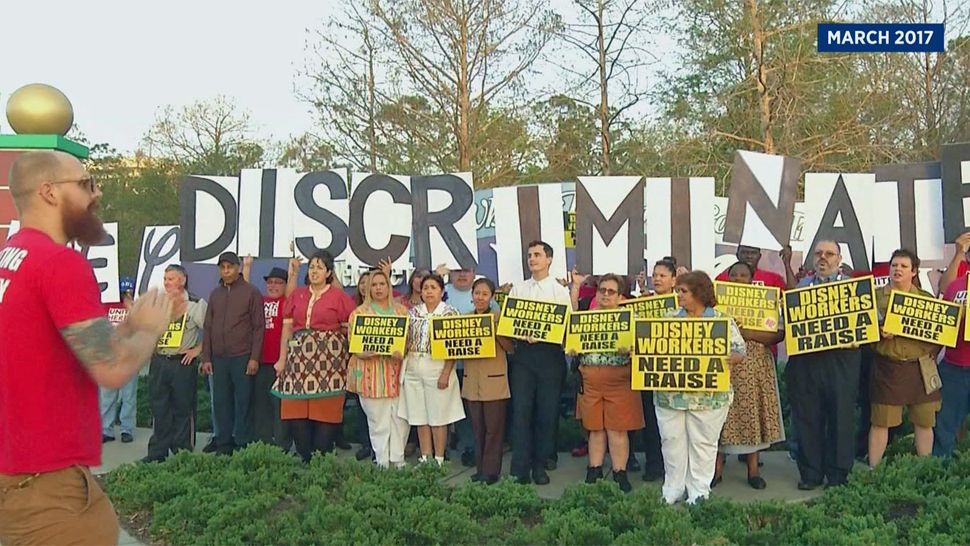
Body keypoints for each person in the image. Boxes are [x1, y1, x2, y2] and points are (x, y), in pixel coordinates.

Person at [0, 150, 172, 545]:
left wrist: (127, 325)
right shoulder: (60, 263)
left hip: (24, 476)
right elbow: (111, 368)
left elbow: (51, 345)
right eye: (86, 183)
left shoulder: (13, 256)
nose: (96, 193)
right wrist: (149, 329)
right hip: (49, 488)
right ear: (48, 191)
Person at [655, 271, 745, 504]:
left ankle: (698, 491)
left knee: (703, 443)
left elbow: (740, 350)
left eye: (683, 291)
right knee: (671, 440)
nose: (678, 296)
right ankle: (672, 488)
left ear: (699, 292)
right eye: (678, 291)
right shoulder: (668, 319)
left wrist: (732, 357)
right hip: (670, 395)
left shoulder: (722, 321)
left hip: (709, 397)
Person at [786, 240, 861, 489]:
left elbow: (871, 323)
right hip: (807, 362)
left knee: (840, 416)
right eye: (818, 253)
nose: (823, 258)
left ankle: (838, 475)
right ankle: (811, 474)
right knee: (808, 417)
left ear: (839, 259)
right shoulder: (801, 287)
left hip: (841, 361)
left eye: (829, 254)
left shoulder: (853, 288)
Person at [274, 250, 356, 462]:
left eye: (319, 267)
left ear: (329, 272)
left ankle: (322, 462)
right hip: (298, 362)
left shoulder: (339, 297)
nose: (314, 271)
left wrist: (352, 361)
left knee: (326, 412)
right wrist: (282, 359)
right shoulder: (298, 295)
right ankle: (305, 457)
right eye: (311, 267)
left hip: (330, 364)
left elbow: (350, 333)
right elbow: (287, 329)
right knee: (295, 411)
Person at [712, 262, 785, 489]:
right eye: (733, 275)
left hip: (755, 365)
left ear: (752, 279)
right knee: (720, 417)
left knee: (751, 413)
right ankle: (716, 471)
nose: (738, 278)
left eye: (743, 275)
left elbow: (777, 335)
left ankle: (753, 471)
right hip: (725, 365)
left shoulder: (765, 301)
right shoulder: (716, 304)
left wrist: (746, 333)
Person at [569, 273, 644, 493]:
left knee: (617, 429)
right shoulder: (586, 318)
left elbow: (644, 348)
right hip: (590, 380)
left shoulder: (631, 318)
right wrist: (573, 348)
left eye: (611, 291)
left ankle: (620, 472)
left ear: (621, 296)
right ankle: (594, 469)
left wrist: (632, 350)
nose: (605, 295)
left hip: (620, 379)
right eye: (602, 290)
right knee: (595, 429)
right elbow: (573, 342)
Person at [868, 249, 941, 466]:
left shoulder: (926, 300)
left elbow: (940, 333)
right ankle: (874, 470)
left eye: (903, 266)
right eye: (894, 265)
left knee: (925, 420)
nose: (897, 269)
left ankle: (924, 468)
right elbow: (862, 331)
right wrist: (877, 333)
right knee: (881, 421)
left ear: (914, 271)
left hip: (921, 368)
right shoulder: (875, 298)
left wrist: (933, 354)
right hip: (888, 367)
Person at [507, 240, 572, 485]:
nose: (532, 259)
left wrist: (545, 333)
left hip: (549, 356)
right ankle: (519, 468)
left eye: (537, 255)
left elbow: (567, 324)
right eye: (529, 255)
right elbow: (509, 324)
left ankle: (540, 465)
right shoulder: (518, 290)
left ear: (549, 260)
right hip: (523, 356)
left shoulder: (559, 292)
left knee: (546, 412)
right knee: (522, 411)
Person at [435, 263, 499, 467]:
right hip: (448, 365)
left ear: (473, 273)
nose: (462, 274)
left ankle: (475, 451)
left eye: (466, 270)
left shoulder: (492, 305)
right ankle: (465, 445)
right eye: (457, 271)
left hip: (478, 367)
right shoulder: (442, 293)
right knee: (458, 411)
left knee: (477, 414)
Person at [200, 251, 264, 455]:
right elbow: (208, 327)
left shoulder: (251, 292)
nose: (226, 271)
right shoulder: (215, 294)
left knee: (243, 402)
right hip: (219, 359)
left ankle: (243, 443)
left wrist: (254, 358)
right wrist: (206, 357)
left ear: (238, 268)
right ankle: (224, 444)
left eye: (230, 267)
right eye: (222, 267)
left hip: (242, 357)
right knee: (221, 403)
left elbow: (258, 327)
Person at [143, 264, 208, 463]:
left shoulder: (195, 303)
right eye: (165, 279)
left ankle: (182, 454)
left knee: (183, 408)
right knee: (159, 407)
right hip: (160, 361)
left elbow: (213, 330)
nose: (167, 283)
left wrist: (198, 350)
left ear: (182, 280)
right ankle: (157, 453)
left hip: (182, 363)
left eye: (171, 278)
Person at [399, 274, 465, 465]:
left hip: (437, 366)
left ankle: (439, 458)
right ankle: (425, 457)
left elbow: (454, 346)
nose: (428, 291)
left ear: (442, 291)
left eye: (433, 287)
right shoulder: (412, 312)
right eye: (426, 287)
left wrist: (446, 372)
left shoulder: (450, 313)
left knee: (438, 415)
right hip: (413, 364)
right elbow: (405, 340)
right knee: (419, 416)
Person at [347, 269, 410, 468]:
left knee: (400, 420)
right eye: (374, 285)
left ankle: (398, 460)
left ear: (389, 286)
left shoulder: (401, 311)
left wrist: (403, 350)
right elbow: (354, 345)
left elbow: (409, 341)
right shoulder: (359, 314)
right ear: (367, 289)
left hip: (398, 373)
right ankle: (382, 461)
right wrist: (366, 352)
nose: (378, 288)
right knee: (378, 422)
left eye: (382, 284)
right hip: (371, 375)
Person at [241, 257, 299, 449]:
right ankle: (262, 443)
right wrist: (247, 267)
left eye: (278, 282)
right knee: (261, 405)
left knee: (280, 406)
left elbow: (291, 292)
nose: (273, 285)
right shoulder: (259, 300)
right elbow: (245, 291)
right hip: (260, 362)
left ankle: (282, 444)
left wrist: (293, 272)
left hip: (281, 364)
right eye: (270, 282)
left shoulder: (286, 303)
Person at [461, 278, 513, 484]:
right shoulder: (464, 319)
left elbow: (510, 348)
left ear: (491, 297)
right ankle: (480, 468)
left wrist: (496, 330)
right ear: (472, 296)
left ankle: (491, 471)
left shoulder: (500, 317)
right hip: (472, 381)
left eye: (484, 294)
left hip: (494, 382)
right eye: (477, 293)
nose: (480, 297)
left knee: (494, 429)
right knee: (477, 428)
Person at [934, 262, 970, 457]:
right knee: (944, 426)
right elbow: (941, 324)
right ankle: (940, 474)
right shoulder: (955, 286)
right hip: (954, 366)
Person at [100, 277, 138, 443]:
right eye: (123, 292)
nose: (125, 294)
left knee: (128, 395)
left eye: (129, 291)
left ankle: (126, 429)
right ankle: (106, 430)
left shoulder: (136, 307)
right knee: (107, 396)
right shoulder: (108, 305)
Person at [715, 244, 795, 289]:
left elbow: (791, 296)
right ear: (737, 255)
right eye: (744, 252)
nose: (749, 256)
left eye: (753, 253)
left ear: (759, 256)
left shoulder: (773, 278)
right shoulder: (722, 278)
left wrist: (787, 264)